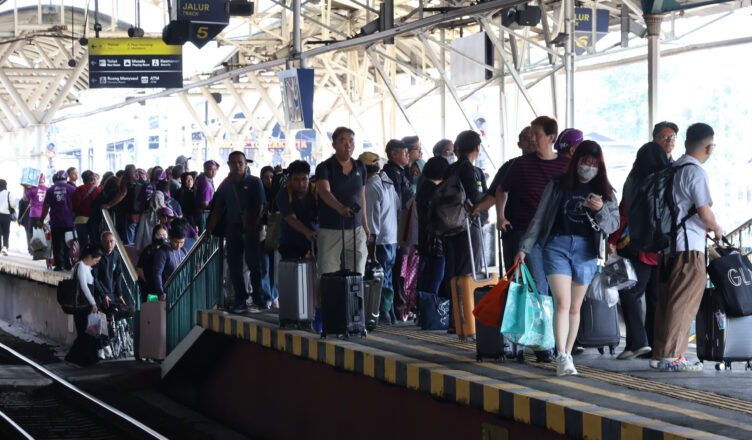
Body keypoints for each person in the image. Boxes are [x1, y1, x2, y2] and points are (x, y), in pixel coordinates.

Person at [515, 140, 619, 376]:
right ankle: (561, 355)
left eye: (594, 164)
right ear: (576, 161)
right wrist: (525, 247)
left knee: (575, 306)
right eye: (585, 161)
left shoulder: (605, 191)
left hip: (586, 251)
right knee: (562, 302)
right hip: (557, 246)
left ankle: (568, 353)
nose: (589, 167)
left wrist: (600, 209)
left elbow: (612, 225)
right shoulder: (558, 185)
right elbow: (540, 218)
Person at [652, 123, 720, 372]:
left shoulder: (672, 169)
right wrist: (718, 229)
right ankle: (673, 356)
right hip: (688, 248)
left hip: (667, 248)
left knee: (667, 302)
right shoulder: (695, 172)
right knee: (684, 301)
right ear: (709, 148)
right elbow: (704, 212)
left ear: (685, 143)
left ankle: (661, 354)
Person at [608, 142, 669, 360]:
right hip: (664, 249)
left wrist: (612, 239)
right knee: (655, 299)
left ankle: (638, 343)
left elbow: (624, 213)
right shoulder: (669, 179)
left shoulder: (635, 180)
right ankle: (651, 345)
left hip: (639, 247)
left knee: (629, 292)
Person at [206, 151, 271, 312]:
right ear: (228, 165)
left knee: (254, 265)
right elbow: (218, 210)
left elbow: (261, 206)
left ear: (246, 164)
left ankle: (259, 298)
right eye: (234, 162)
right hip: (232, 228)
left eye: (240, 162)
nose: (237, 166)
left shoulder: (255, 182)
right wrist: (209, 230)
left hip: (251, 229)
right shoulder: (226, 185)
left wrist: (252, 225)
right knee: (234, 266)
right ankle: (240, 299)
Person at [315, 127, 370, 277]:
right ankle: (327, 294)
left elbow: (362, 198)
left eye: (351, 141)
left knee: (357, 273)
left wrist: (365, 225)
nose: (348, 145)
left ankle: (352, 295)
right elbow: (324, 192)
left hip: (356, 229)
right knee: (328, 274)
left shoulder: (360, 167)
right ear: (334, 145)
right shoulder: (324, 167)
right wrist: (340, 208)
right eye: (342, 141)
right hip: (331, 230)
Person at [443, 130, 489, 279]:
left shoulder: (450, 168)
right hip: (469, 225)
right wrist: (488, 198)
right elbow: (474, 196)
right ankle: (464, 295)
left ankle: (454, 294)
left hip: (450, 223)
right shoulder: (470, 169)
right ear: (477, 147)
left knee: (454, 270)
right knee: (469, 272)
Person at [361, 151, 400, 323]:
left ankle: (383, 314)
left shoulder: (370, 186)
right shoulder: (387, 182)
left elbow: (371, 220)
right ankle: (389, 313)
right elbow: (398, 206)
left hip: (379, 241)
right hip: (391, 238)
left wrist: (371, 247)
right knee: (388, 277)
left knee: (379, 278)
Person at [64, 244, 104, 366]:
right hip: (82, 306)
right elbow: (83, 286)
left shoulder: (85, 267)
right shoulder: (81, 266)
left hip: (85, 305)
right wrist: (93, 303)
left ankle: (83, 358)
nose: (96, 263)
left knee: (87, 333)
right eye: (96, 260)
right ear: (90, 256)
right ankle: (75, 357)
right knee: (84, 333)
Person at [416, 157, 450, 295]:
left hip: (425, 241)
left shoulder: (423, 187)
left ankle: (424, 305)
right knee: (434, 280)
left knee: (426, 279)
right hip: (435, 243)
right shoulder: (434, 191)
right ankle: (429, 306)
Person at [276, 160, 318, 259]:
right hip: (290, 242)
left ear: (309, 178)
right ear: (290, 179)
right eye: (296, 180)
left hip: (315, 239)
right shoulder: (283, 194)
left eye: (304, 179)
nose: (301, 184)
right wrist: (307, 232)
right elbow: (291, 218)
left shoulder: (317, 191)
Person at [40, 170, 76, 271]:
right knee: (69, 243)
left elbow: (46, 206)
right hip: (69, 221)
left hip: (56, 221)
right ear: (66, 178)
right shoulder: (72, 189)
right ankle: (68, 264)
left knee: (57, 244)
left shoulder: (50, 190)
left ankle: (60, 265)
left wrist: (41, 220)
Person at [153, 225, 188, 296]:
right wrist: (161, 292)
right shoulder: (163, 252)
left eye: (181, 242)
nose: (178, 245)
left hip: (182, 290)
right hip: (168, 293)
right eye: (176, 242)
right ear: (170, 238)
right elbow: (157, 274)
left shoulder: (183, 251)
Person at [137, 224, 169, 301]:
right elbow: (139, 269)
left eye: (164, 235)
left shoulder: (169, 250)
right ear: (154, 236)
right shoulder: (148, 250)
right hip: (149, 288)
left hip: (164, 288)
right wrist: (148, 282)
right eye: (159, 235)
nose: (162, 237)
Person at [382, 139, 414, 210]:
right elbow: (397, 201)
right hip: (401, 214)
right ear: (394, 154)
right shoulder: (393, 173)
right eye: (405, 152)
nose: (408, 155)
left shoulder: (400, 170)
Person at [72, 170, 102, 247]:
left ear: (83, 179)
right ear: (92, 178)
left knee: (83, 243)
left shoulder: (79, 189)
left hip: (80, 219)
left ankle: (84, 254)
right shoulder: (97, 190)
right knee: (94, 241)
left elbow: (74, 205)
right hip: (94, 219)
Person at [194, 160, 219, 229]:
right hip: (203, 214)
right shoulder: (205, 183)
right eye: (211, 169)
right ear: (205, 169)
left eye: (215, 169)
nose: (213, 172)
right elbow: (205, 204)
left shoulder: (202, 178)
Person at [24, 172, 47, 238]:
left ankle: (33, 244)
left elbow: (25, 198)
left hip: (34, 214)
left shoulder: (33, 189)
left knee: (32, 234)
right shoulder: (48, 189)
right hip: (45, 215)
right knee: (44, 234)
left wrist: (25, 187)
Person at [0, 179, 16, 255]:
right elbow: (13, 205)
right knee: (6, 232)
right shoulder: (9, 193)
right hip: (6, 215)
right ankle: (5, 247)